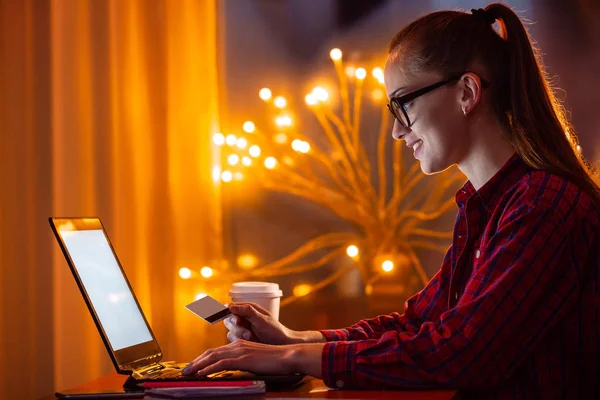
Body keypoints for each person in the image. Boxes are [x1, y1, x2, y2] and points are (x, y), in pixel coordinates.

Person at [182, 3, 600, 398]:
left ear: (467, 92)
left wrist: (291, 358)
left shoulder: (542, 206)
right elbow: (419, 324)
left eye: (403, 104)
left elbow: (461, 353)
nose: (398, 132)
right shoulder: (489, 206)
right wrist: (298, 339)